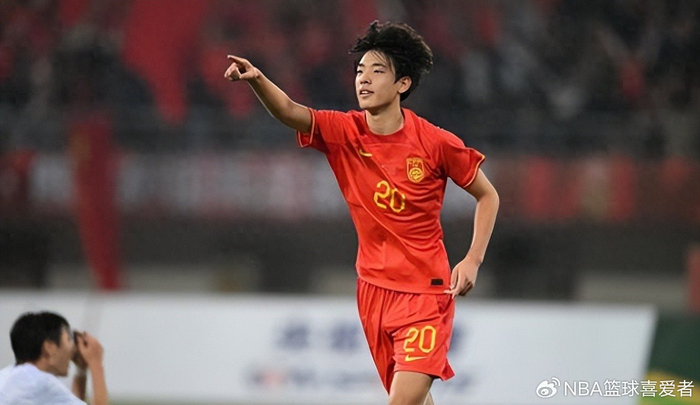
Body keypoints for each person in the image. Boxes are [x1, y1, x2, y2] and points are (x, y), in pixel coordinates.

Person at [225, 21, 499, 405]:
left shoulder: (435, 143)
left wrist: (472, 259)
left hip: (425, 293)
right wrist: (257, 79)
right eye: (359, 71)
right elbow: (289, 111)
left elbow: (488, 195)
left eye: (377, 71)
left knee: (402, 401)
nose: (364, 79)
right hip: (372, 291)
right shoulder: (345, 132)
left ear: (403, 83)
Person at [0, 311, 109, 405]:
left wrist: (81, 370)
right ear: (49, 347)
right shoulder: (40, 383)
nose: (74, 349)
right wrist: (96, 362)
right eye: (69, 339)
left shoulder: (10, 375)